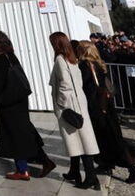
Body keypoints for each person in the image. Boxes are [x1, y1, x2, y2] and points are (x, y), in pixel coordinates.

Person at [0, 30, 55, 181]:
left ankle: (23, 170)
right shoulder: (8, 54)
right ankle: (44, 161)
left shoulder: (2, 58)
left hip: (9, 101)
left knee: (15, 134)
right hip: (17, 99)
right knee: (25, 131)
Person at [75, 40, 135, 184]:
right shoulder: (98, 64)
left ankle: (133, 169)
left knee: (110, 137)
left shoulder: (85, 66)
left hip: (97, 107)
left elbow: (89, 88)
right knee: (107, 136)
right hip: (105, 105)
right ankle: (106, 162)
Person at [50, 32, 100, 190]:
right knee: (79, 140)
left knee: (78, 141)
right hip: (78, 101)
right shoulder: (72, 58)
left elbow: (65, 84)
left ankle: (91, 176)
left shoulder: (60, 59)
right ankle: (75, 171)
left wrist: (61, 103)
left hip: (69, 104)